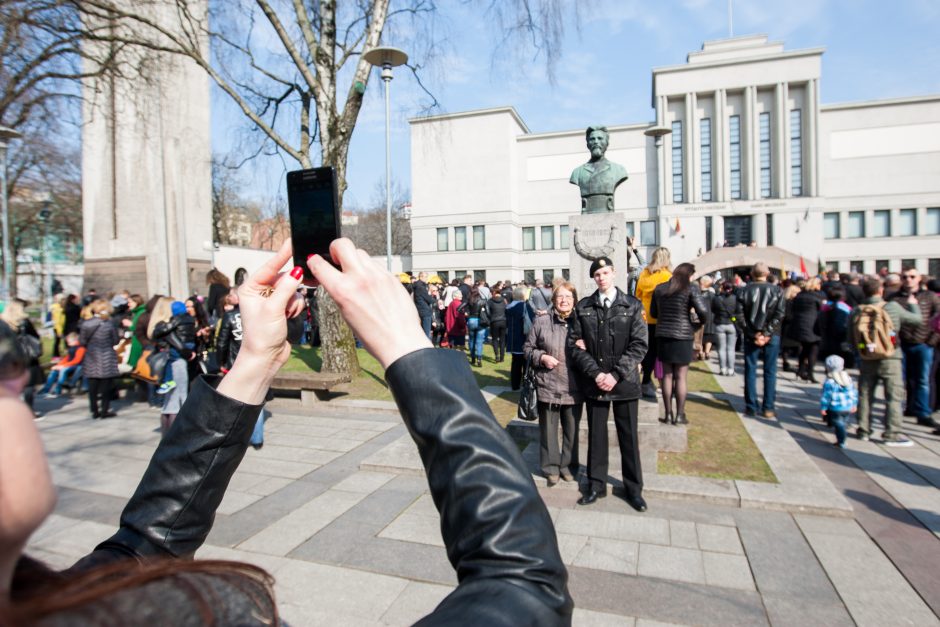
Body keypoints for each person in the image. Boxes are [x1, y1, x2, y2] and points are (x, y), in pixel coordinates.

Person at [0, 239, 572, 624]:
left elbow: (144, 545)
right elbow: (523, 587)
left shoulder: (52, 603)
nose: (16, 365)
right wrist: (406, 347)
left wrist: (257, 358)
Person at [568, 257, 648, 511]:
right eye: (597, 274)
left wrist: (614, 375)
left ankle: (633, 489)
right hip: (595, 384)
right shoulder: (584, 307)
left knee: (629, 438)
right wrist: (596, 374)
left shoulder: (632, 305)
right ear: (594, 278)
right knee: (597, 437)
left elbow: (639, 345)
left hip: (623, 383)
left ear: (614, 273)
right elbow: (574, 345)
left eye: (605, 272)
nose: (601, 277)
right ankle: (596, 485)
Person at [851, 276, 923, 445]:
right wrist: (913, 304)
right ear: (880, 290)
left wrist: (862, 351)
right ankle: (892, 433)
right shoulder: (892, 307)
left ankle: (863, 429)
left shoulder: (857, 310)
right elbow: (916, 321)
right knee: (893, 396)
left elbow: (851, 338)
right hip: (891, 356)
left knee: (865, 394)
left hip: (867, 357)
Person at [523, 282, 582, 486]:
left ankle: (568, 466)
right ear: (553, 300)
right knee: (548, 431)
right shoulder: (541, 321)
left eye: (568, 296)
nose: (564, 300)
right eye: (560, 297)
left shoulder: (582, 322)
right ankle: (550, 468)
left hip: (574, 385)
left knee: (572, 430)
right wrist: (542, 357)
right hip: (547, 383)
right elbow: (528, 349)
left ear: (574, 300)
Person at [650, 263, 708, 425]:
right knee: (681, 376)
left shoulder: (660, 289)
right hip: (683, 335)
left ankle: (668, 414)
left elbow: (654, 313)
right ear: (689, 275)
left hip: (663, 334)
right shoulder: (690, 288)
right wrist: (696, 324)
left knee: (667, 375)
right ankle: (680, 414)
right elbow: (703, 311)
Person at [890, 267, 940, 428]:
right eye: (905, 277)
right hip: (902, 344)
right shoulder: (895, 298)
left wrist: (931, 340)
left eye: (912, 276)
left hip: (924, 344)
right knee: (901, 380)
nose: (908, 279)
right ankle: (903, 410)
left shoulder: (929, 296)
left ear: (919, 278)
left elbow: (938, 318)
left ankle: (922, 412)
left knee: (922, 380)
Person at [736, 262, 786, 418]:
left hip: (757, 334)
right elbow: (780, 314)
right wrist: (765, 333)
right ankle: (768, 407)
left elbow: (739, 316)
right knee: (770, 371)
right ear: (768, 273)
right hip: (770, 335)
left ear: (752, 274)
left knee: (750, 370)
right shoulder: (777, 290)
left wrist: (754, 333)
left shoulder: (744, 291)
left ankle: (751, 406)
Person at [635, 247, 672, 399]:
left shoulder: (644, 273)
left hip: (643, 317)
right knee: (656, 352)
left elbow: (637, 294)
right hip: (659, 318)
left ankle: (646, 380)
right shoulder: (667, 276)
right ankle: (651, 381)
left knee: (646, 351)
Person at [569, 125, 629, 214]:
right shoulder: (577, 172)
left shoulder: (618, 170)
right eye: (592, 139)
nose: (596, 142)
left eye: (600, 138)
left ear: (607, 143)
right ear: (587, 144)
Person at [79, 299, 121, 419]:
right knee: (105, 386)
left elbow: (82, 341)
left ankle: (94, 410)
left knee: (93, 385)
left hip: (92, 355)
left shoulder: (86, 324)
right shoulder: (109, 324)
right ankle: (104, 410)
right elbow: (115, 340)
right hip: (107, 355)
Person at [1, 300, 43, 415]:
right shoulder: (24, 322)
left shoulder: (3, 323)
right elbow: (35, 336)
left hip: (9, 357)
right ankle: (29, 410)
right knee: (29, 385)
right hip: (26, 355)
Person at [786, 280, 822, 383]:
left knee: (804, 349)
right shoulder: (816, 297)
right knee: (813, 350)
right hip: (812, 326)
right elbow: (821, 310)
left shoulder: (799, 296)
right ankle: (810, 373)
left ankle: (800, 371)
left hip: (799, 325)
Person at [820, 355, 857, 449]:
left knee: (838, 423)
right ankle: (841, 437)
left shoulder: (829, 381)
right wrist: (854, 404)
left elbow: (826, 396)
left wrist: (824, 407)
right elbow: (853, 392)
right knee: (843, 422)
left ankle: (842, 440)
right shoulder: (848, 378)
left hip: (835, 407)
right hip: (847, 407)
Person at [38, 333, 85, 397]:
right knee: (54, 371)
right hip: (70, 365)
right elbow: (67, 358)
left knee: (63, 370)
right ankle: (46, 389)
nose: (68, 343)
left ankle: (58, 390)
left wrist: (63, 366)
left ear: (75, 341)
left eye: (69, 342)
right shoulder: (72, 348)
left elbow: (76, 361)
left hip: (77, 366)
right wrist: (58, 365)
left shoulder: (81, 349)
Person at [506, 286, 532, 390]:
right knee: (526, 363)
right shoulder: (525, 306)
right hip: (524, 337)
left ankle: (515, 385)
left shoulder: (508, 307)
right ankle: (526, 384)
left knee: (515, 363)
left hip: (513, 339)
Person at [712, 281, 738, 376]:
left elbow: (713, 310)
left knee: (721, 348)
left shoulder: (716, 299)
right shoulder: (735, 299)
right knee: (731, 349)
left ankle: (723, 368)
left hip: (720, 324)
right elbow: (737, 311)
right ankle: (731, 369)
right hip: (731, 324)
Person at [463, 286, 488, 367]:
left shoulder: (469, 300)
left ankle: (473, 358)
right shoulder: (483, 301)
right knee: (479, 342)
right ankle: (479, 359)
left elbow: (459, 308)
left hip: (471, 320)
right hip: (480, 321)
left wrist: (466, 313)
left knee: (471, 340)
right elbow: (488, 312)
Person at [697, 275, 717, 361]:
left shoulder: (697, 294)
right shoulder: (713, 295)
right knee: (709, 336)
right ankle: (707, 352)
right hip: (711, 316)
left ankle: (701, 352)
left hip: (700, 316)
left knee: (699, 336)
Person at [486, 286, 508, 362]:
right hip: (503, 321)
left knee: (495, 339)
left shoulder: (490, 301)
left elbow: (487, 312)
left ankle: (497, 356)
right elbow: (507, 309)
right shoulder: (504, 300)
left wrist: (491, 317)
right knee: (502, 339)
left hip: (494, 321)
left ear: (494, 293)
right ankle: (502, 357)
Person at [413, 271, 436, 340]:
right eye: (425, 277)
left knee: (423, 331)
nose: (426, 279)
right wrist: (434, 299)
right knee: (426, 332)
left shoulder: (417, 285)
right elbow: (428, 299)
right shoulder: (421, 286)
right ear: (421, 277)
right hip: (424, 310)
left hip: (420, 309)